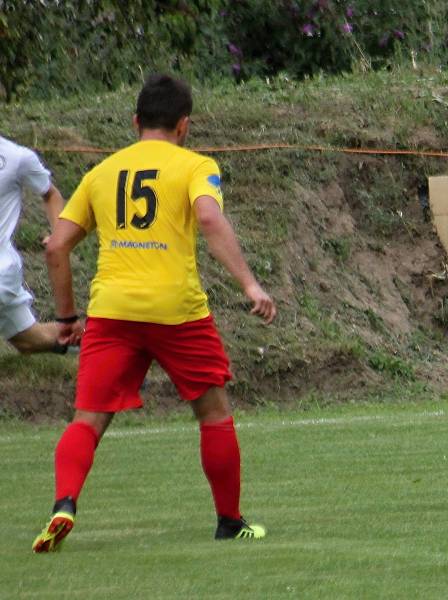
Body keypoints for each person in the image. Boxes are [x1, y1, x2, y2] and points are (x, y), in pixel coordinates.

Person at [32, 74, 278, 553]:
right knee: (213, 415)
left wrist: (66, 317)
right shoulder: (194, 165)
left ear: (134, 121)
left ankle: (64, 503)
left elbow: (57, 246)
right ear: (184, 125)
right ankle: (229, 521)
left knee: (87, 419)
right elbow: (208, 217)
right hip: (177, 311)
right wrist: (250, 283)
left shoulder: (101, 173)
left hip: (112, 312)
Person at [0, 134, 70, 354]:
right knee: (30, 340)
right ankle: (104, 342)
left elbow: (50, 194)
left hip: (1, 271)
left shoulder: (16, 157)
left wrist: (59, 235)